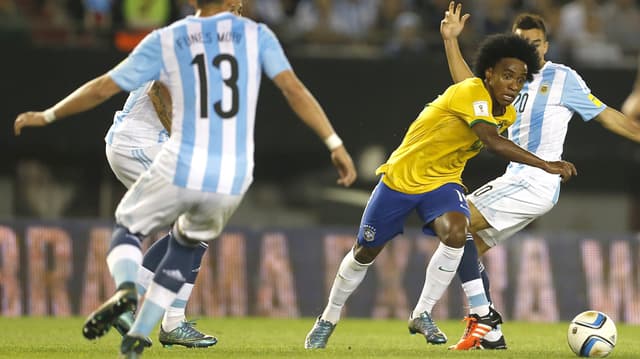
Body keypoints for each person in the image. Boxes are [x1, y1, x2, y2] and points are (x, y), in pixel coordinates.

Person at [14, 0, 357, 357]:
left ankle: (145, 309)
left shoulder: (197, 40)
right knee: (182, 227)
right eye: (237, 5)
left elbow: (108, 86)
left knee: (189, 233)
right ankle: (161, 315)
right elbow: (158, 92)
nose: (241, 11)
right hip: (140, 141)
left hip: (160, 145)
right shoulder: (195, 40)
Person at [304, 32, 578, 350]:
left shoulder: (508, 113)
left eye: (519, 80)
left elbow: (496, 137)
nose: (514, 86)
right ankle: (328, 318)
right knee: (364, 253)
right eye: (507, 76)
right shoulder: (471, 91)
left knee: (458, 232)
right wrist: (545, 164)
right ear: (488, 73)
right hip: (401, 180)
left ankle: (425, 313)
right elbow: (491, 141)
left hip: (443, 184)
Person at [439, 2, 640, 350]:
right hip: (515, 177)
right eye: (521, 43)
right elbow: (465, 86)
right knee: (466, 247)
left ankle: (475, 319)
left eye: (535, 43)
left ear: (545, 46)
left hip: (535, 180)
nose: (529, 49)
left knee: (452, 223)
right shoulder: (505, 77)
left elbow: (608, 116)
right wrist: (450, 41)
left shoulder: (564, 79)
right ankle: (491, 331)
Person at [105, 81, 216, 348]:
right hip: (139, 143)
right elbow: (158, 90)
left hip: (136, 143)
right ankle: (153, 314)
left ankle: (167, 319)